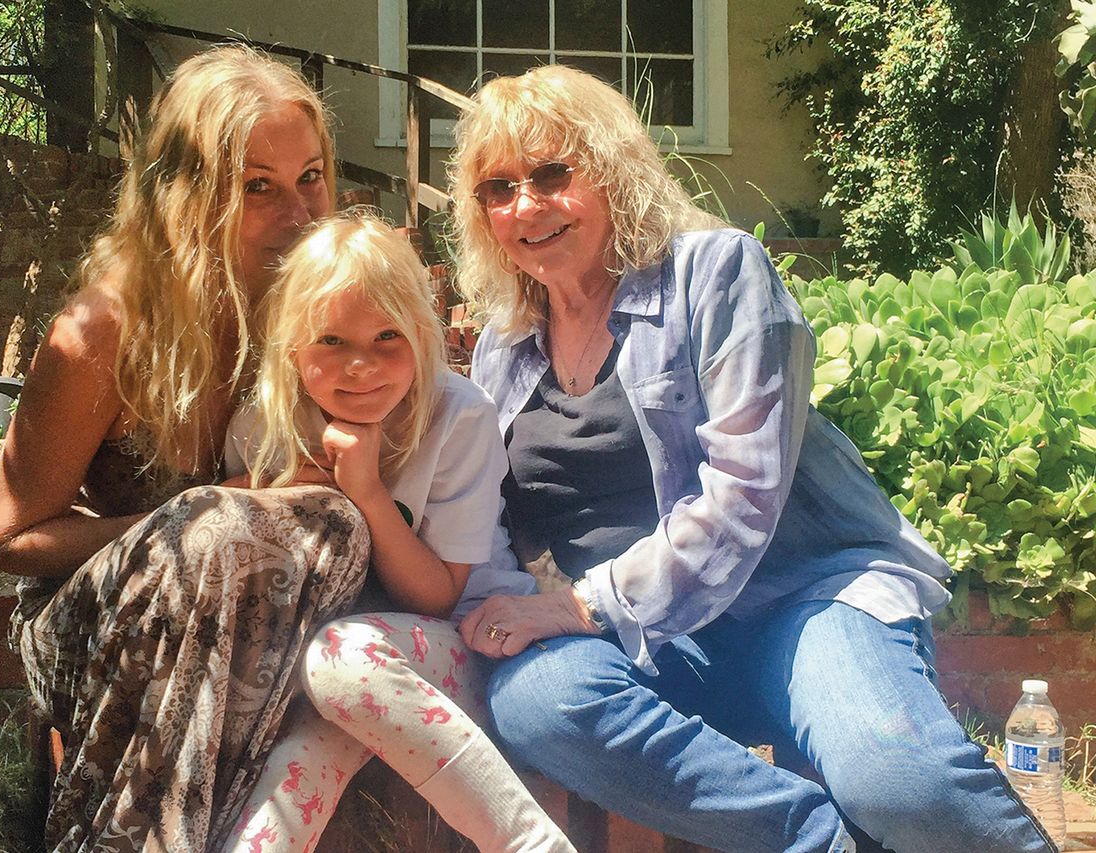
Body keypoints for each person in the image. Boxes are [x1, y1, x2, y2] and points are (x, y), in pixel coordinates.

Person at [447, 65, 1059, 853]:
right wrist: (498, 606)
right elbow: (489, 512)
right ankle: (816, 839)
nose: (525, 206)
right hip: (652, 644)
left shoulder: (715, 271)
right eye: (497, 189)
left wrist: (575, 608)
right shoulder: (503, 344)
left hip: (801, 601)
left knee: (899, 782)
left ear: (612, 168)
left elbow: (741, 496)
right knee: (538, 700)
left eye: (551, 174)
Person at [0, 45, 370, 853]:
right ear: (184, 196)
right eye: (257, 187)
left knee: (338, 524)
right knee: (219, 532)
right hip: (97, 628)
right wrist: (198, 512)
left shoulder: (322, 311)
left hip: (250, 635)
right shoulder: (104, 329)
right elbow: (14, 540)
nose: (300, 212)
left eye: (311, 178)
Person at [217, 213, 574, 852]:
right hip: (352, 672)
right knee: (303, 754)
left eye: (388, 336)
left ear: (422, 334)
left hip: (474, 643)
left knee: (340, 662)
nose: (362, 365)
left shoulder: (458, 417)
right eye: (330, 341)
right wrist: (285, 483)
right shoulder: (261, 426)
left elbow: (434, 597)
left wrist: (368, 493)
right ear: (292, 348)